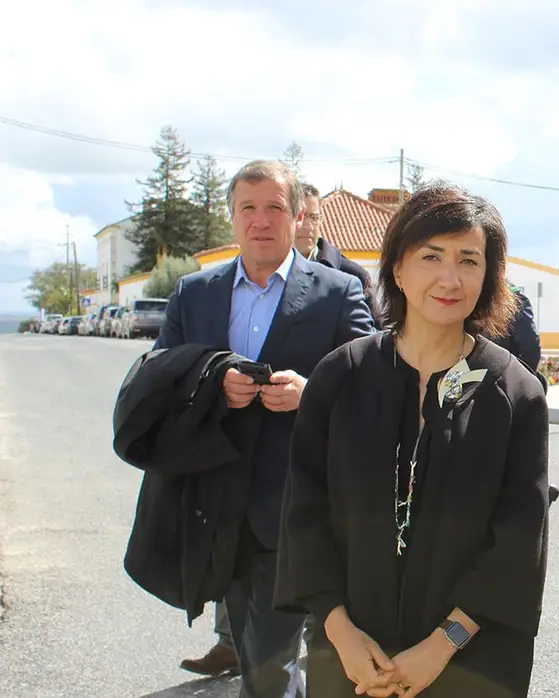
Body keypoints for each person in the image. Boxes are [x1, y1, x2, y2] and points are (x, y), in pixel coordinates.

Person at [274, 181, 550, 698]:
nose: (450, 278)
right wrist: (342, 635)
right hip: (351, 663)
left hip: (473, 663)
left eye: (469, 260)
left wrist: (440, 647)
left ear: (489, 274)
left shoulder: (515, 393)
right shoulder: (340, 378)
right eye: (431, 256)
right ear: (398, 268)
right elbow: (304, 513)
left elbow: (519, 538)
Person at [159, 159, 375, 697]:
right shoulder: (194, 294)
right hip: (222, 509)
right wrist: (213, 387)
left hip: (300, 507)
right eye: (247, 208)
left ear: (297, 214)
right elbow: (161, 381)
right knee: (261, 660)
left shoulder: (337, 291)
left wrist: (312, 394)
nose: (261, 220)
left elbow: (375, 386)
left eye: (274, 207)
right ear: (231, 217)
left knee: (278, 664)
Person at [295, 183, 377, 314]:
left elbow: (374, 331)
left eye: (314, 218)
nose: (308, 226)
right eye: (301, 217)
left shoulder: (352, 276)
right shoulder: (267, 271)